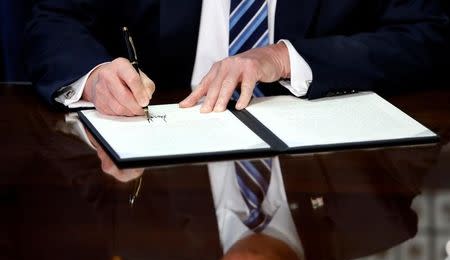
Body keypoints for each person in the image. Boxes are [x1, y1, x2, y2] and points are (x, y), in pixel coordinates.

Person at [26, 0, 449, 116]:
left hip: (318, 142)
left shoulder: (371, 222)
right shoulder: (146, 239)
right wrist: (95, 76)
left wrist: (288, 58)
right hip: (166, 125)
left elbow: (430, 35)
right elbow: (55, 17)